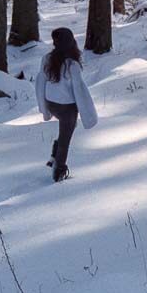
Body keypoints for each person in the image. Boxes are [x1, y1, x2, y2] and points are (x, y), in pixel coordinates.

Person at [35, 28, 98, 182]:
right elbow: (79, 91)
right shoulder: (72, 65)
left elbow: (40, 83)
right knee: (66, 138)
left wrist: (44, 108)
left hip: (52, 104)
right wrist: (87, 115)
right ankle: (59, 171)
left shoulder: (47, 59)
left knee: (67, 129)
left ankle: (55, 153)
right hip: (67, 108)